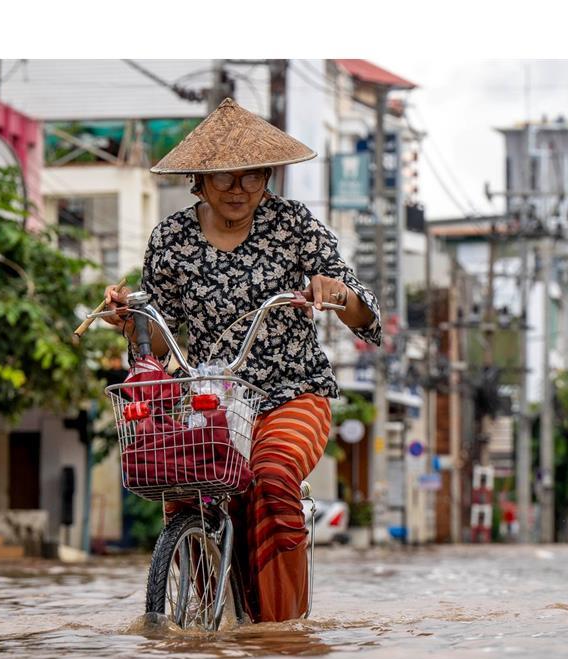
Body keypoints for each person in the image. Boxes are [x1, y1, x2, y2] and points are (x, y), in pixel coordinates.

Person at [101, 98, 381, 622]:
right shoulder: (170, 239)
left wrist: (337, 292)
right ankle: (201, 611)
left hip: (291, 394)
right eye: (224, 178)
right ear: (198, 181)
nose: (239, 190)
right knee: (185, 490)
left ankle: (280, 630)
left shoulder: (294, 225)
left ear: (267, 177)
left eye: (252, 177)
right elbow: (159, 340)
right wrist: (133, 317)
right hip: (211, 401)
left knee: (272, 478)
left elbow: (366, 314)